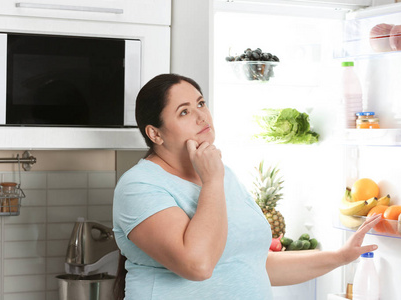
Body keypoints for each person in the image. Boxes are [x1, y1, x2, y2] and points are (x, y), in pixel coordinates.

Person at [112, 73, 381, 300]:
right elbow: (198, 265)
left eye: (201, 103)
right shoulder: (139, 186)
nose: (201, 116)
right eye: (184, 111)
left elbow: (254, 264)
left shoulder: (222, 175)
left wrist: (341, 256)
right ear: (155, 133)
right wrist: (212, 181)